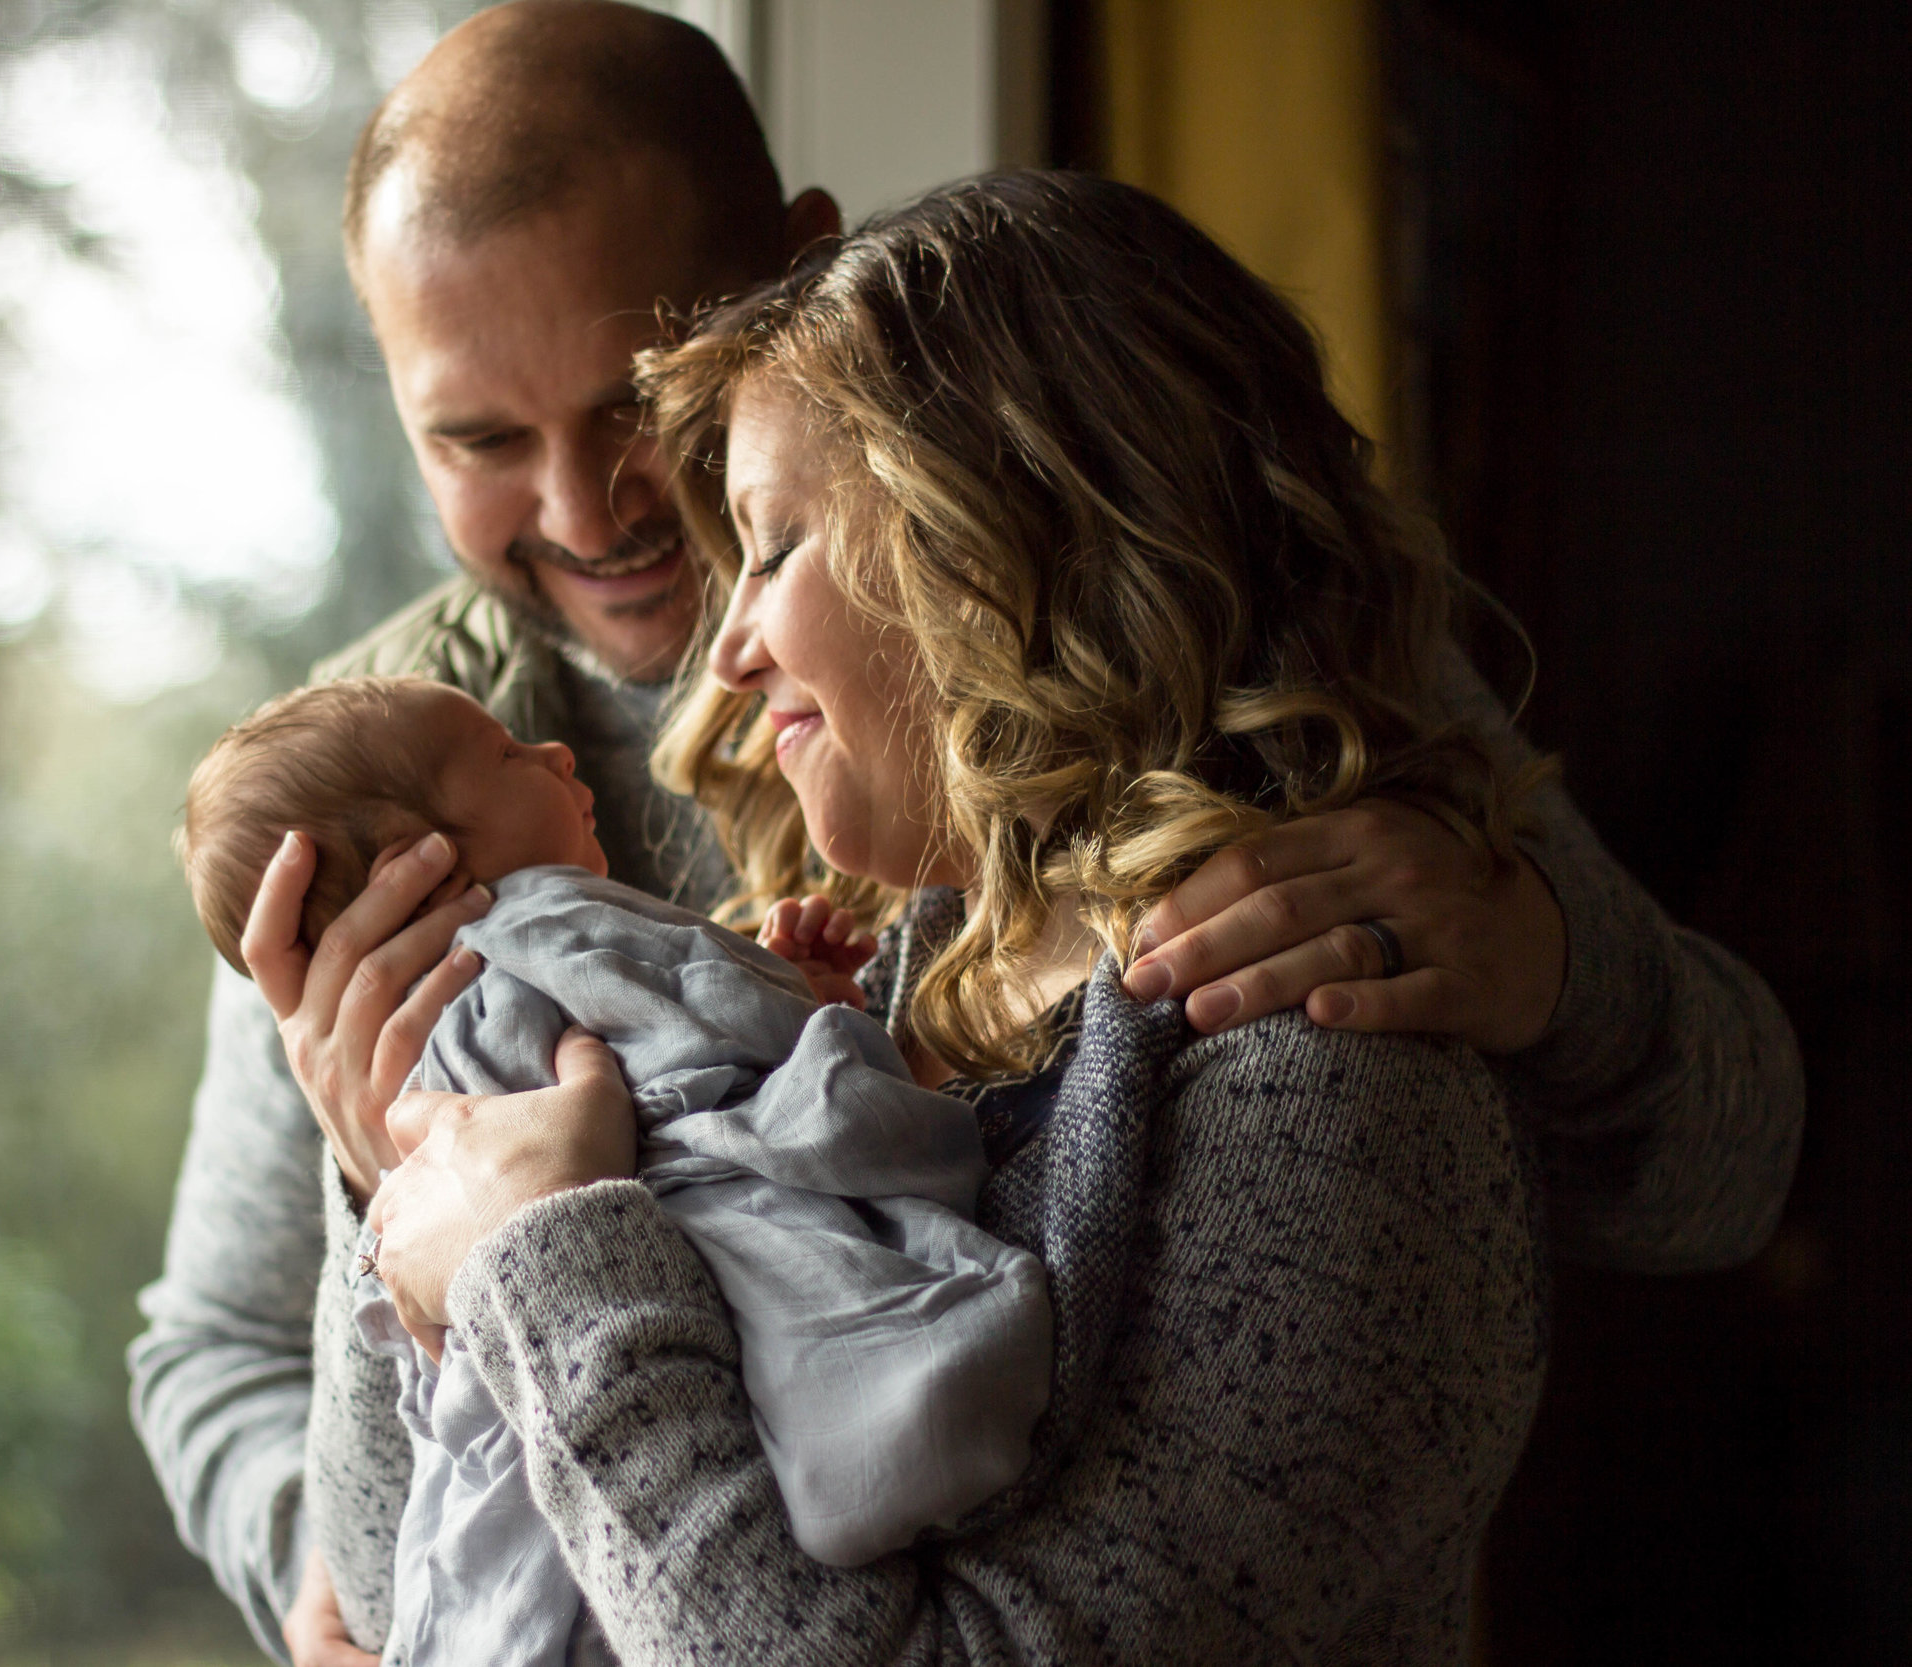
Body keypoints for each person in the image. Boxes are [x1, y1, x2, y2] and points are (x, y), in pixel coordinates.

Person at [125, 5, 1801, 1662]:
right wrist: (398, 1223)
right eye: (479, 441)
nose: (585, 512)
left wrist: (1551, 965)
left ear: (790, 276)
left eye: (641, 404)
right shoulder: (365, 795)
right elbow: (248, 1375)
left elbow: (1711, 1172)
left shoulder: (1214, 690)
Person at [349, 168, 1573, 1660]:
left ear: (1007, 542)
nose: (723, 652)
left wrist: (539, 1259)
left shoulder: (1329, 1089)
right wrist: (404, 1162)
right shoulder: (891, 982)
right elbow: (401, 1587)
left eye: (776, 543)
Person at [176, 674, 1049, 1666]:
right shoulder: (547, 918)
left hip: (549, 1410)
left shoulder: (423, 1030)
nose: (551, 753)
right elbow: (720, 1016)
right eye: (507, 753)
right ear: (416, 862)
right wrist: (801, 999)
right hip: (659, 1313)